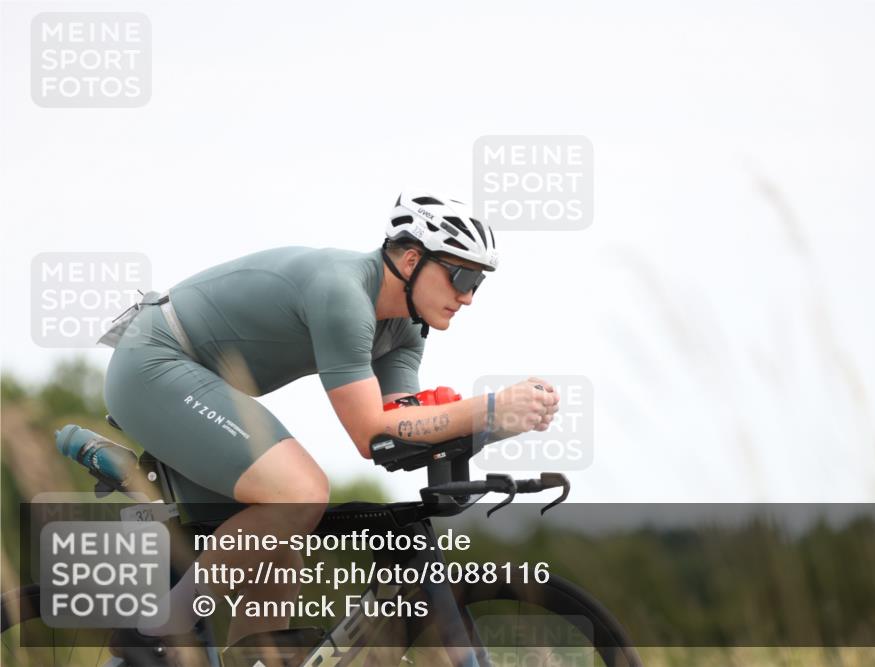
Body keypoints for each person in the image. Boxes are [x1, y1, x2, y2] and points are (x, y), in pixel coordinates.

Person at [101, 189, 561, 648]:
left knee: (283, 545)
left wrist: (497, 424)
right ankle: (156, 635)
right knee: (300, 492)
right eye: (461, 276)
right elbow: (369, 432)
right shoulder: (343, 293)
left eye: (477, 284)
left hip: (199, 382)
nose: (468, 297)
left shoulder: (405, 327)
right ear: (410, 260)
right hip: (153, 364)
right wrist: (487, 406)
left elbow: (400, 432)